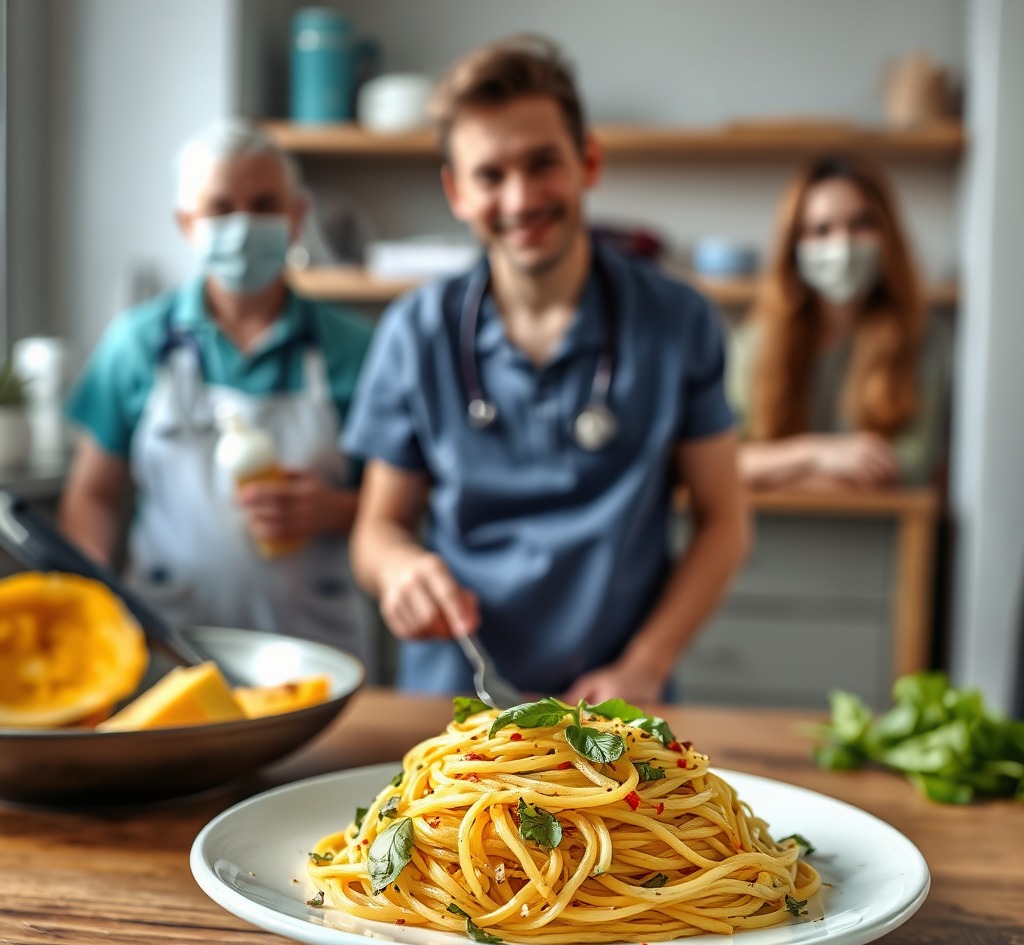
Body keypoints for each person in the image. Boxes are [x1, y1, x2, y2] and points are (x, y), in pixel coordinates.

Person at [342, 36, 748, 704]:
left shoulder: (680, 322)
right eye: (491, 175)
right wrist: (400, 570)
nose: (522, 197)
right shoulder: (415, 333)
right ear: (456, 191)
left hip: (618, 695)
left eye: (542, 164)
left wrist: (646, 665)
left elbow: (724, 522)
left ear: (588, 161)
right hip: (456, 696)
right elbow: (376, 529)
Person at [60, 120, 374, 660]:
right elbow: (94, 493)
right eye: (220, 209)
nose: (242, 225)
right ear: (187, 223)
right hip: (168, 635)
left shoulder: (356, 348)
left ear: (296, 217)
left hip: (317, 642)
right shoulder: (137, 343)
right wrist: (92, 592)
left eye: (263, 204)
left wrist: (332, 509)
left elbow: (400, 504)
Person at [728, 154, 949, 491]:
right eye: (821, 229)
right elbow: (722, 463)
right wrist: (818, 454)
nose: (841, 245)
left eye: (861, 224)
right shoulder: (754, 343)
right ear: (795, 244)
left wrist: (774, 473)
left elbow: (908, 468)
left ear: (888, 235)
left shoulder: (922, 340)